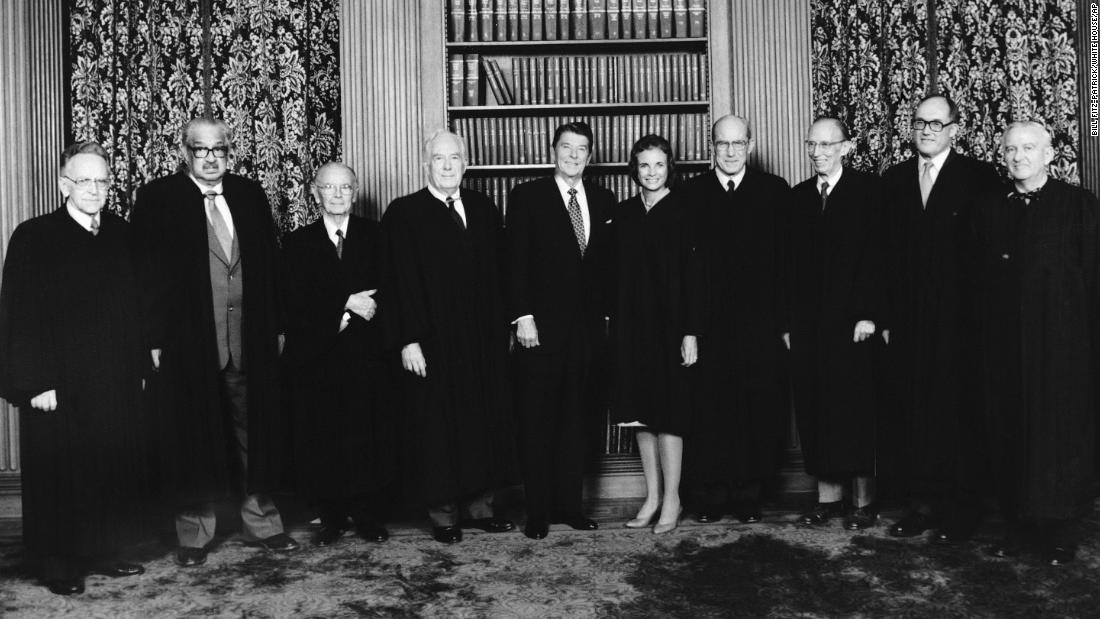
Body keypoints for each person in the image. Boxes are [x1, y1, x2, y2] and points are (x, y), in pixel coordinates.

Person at [131, 118, 298, 567]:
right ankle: (194, 534)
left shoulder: (249, 195)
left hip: (248, 339)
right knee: (193, 436)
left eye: (219, 150)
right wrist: (151, 337)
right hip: (187, 344)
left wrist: (277, 326)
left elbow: (271, 265)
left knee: (253, 435)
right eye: (200, 149)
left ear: (230, 153)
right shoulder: (157, 199)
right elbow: (141, 276)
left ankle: (262, 523)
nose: (210, 158)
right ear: (184, 151)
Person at [0, 142, 151, 595]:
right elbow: (17, 314)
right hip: (56, 383)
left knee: (107, 463)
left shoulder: (122, 233)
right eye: (84, 180)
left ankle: (103, 551)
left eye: (102, 180)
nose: (94, 189)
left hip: (112, 378)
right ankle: (58, 562)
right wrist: (34, 382)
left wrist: (139, 365)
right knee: (59, 469)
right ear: (64, 185)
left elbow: (137, 309)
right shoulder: (34, 235)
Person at [972, 121, 1099, 565]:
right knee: (1009, 434)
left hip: (1061, 348)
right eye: (1010, 149)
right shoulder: (989, 209)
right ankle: (1016, 528)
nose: (1018, 157)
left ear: (1049, 155)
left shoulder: (1078, 205)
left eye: (1029, 148)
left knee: (1058, 437)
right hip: (1004, 350)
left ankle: (1058, 532)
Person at [381, 129, 517, 544]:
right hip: (432, 342)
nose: (446, 166)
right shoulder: (403, 213)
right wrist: (408, 340)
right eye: (438, 159)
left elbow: (499, 275)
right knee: (437, 428)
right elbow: (396, 282)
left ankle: (480, 508)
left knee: (482, 419)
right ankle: (444, 514)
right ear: (426, 164)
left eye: (453, 158)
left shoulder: (483, 207)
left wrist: (505, 329)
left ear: (466, 162)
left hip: (481, 341)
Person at [879, 95, 1000, 542]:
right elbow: (882, 256)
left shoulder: (979, 177)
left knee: (958, 414)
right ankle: (920, 505)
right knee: (912, 414)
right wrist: (887, 317)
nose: (926, 130)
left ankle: (960, 511)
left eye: (936, 123)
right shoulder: (892, 180)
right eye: (919, 122)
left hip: (961, 323)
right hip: (908, 322)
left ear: (954, 129)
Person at [506, 121, 617, 539]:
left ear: (590, 154)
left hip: (587, 334)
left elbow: (606, 268)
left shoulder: (604, 199)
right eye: (566, 147)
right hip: (540, 331)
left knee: (578, 420)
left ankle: (570, 506)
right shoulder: (527, 195)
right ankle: (537, 512)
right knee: (537, 422)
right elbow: (513, 260)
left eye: (582, 148)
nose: (574, 155)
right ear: (553, 150)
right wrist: (522, 316)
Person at [680, 115, 792, 524]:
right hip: (709, 326)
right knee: (710, 411)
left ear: (750, 144)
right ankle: (711, 495)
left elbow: (785, 264)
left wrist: (784, 325)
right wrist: (689, 328)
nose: (730, 152)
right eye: (722, 144)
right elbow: (685, 270)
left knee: (756, 409)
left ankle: (748, 495)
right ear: (711, 146)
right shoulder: (692, 194)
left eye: (737, 143)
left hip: (759, 325)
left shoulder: (773, 191)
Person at [281, 162, 395, 546]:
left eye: (344, 187)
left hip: (367, 357)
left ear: (355, 191)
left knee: (366, 436)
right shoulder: (298, 243)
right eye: (328, 188)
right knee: (324, 438)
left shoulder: (376, 236)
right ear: (315, 192)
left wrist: (357, 309)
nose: (337, 194)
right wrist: (344, 305)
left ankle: (366, 516)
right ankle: (330, 517)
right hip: (320, 358)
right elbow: (294, 302)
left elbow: (387, 294)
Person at [789, 117, 884, 530]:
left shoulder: (868, 192)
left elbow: (879, 257)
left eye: (828, 145)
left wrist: (868, 313)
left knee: (855, 409)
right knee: (817, 407)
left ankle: (863, 502)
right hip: (810, 325)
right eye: (812, 144)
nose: (818, 152)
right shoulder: (797, 198)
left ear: (847, 147)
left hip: (853, 324)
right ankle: (828, 500)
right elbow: (785, 267)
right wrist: (787, 323)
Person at [610, 135, 699, 534]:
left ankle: (673, 499)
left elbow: (696, 279)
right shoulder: (623, 213)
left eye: (658, 165)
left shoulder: (684, 211)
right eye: (644, 165)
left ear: (669, 168)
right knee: (640, 415)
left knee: (669, 414)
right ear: (635, 168)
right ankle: (652, 495)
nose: (651, 172)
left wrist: (690, 332)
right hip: (632, 326)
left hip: (671, 328)